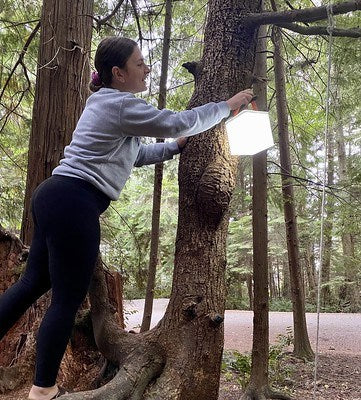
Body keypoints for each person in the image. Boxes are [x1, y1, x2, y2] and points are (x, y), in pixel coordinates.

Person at [0, 36, 254, 400]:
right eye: (139, 63)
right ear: (118, 73)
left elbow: (132, 154)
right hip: (75, 202)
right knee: (66, 299)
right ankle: (42, 391)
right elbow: (175, 121)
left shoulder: (108, 105)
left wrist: (173, 149)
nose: (146, 68)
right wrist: (227, 106)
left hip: (55, 195)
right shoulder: (120, 105)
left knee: (32, 285)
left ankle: (41, 388)